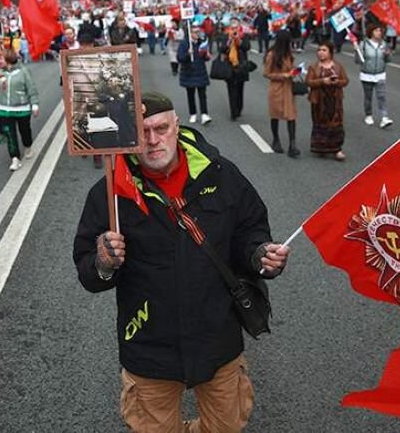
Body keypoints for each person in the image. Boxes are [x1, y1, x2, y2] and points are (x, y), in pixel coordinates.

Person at [73, 91, 290, 433]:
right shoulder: (110, 194)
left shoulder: (220, 175)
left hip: (218, 340)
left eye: (161, 128)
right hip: (148, 347)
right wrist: (103, 259)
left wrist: (260, 254)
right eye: (142, 132)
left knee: (226, 427)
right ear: (129, 137)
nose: (153, 140)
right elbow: (87, 271)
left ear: (177, 126)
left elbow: (250, 230)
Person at [0, 48, 39, 171]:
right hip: (5, 110)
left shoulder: (23, 72)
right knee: (10, 135)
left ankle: (28, 146)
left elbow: (31, 88)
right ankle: (15, 158)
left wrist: (35, 104)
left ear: (8, 59)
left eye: (1, 58)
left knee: (24, 130)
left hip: (22, 109)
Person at [306, 41, 349, 160]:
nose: (321, 53)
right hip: (319, 100)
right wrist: (322, 81)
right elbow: (308, 82)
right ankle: (321, 147)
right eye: (319, 50)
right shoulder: (313, 67)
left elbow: (345, 81)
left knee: (336, 123)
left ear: (330, 52)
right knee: (320, 123)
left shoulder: (338, 66)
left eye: (324, 50)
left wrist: (337, 82)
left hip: (335, 100)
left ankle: (337, 149)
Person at [262, 30, 299, 157]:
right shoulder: (272, 55)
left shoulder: (289, 54)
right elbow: (266, 73)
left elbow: (291, 68)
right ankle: (276, 139)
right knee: (275, 114)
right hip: (276, 88)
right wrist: (283, 75)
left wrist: (295, 71)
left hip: (288, 88)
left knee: (291, 115)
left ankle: (292, 144)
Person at [358, 24, 393, 129]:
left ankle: (384, 117)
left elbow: (389, 60)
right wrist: (358, 52)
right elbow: (357, 61)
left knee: (381, 96)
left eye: (380, 30)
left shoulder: (384, 44)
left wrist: (387, 54)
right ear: (371, 32)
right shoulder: (364, 44)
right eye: (376, 30)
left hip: (380, 74)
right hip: (366, 74)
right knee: (368, 97)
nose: (379, 32)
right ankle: (368, 115)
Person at [176, 26, 212, 125]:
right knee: (190, 94)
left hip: (200, 71)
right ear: (190, 33)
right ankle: (193, 113)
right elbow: (179, 58)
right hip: (188, 72)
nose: (197, 34)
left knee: (202, 94)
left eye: (198, 32)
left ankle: (204, 114)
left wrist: (207, 56)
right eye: (195, 32)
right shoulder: (184, 43)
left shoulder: (202, 42)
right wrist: (187, 54)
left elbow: (204, 57)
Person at [219, 19, 251, 120]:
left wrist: (238, 41)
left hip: (241, 65)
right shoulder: (225, 36)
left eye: (236, 28)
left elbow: (247, 47)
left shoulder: (243, 36)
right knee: (231, 89)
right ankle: (233, 112)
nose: (234, 30)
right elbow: (222, 49)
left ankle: (239, 108)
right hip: (229, 65)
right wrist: (229, 41)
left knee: (240, 89)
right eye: (232, 28)